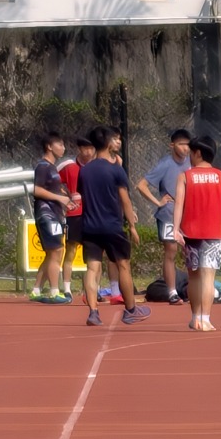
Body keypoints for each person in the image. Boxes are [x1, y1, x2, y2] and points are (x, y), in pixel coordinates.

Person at [77, 126, 149, 327]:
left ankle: (93, 312)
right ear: (108, 143)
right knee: (123, 265)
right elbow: (125, 200)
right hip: (112, 226)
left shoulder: (85, 171)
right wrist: (132, 226)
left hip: (90, 226)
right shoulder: (116, 169)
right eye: (115, 139)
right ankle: (131, 310)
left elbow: (83, 196)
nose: (118, 142)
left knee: (92, 268)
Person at [172, 135, 221, 332]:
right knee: (208, 278)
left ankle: (195, 318)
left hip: (190, 233)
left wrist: (175, 229)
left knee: (194, 277)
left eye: (191, 153)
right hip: (214, 233)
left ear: (198, 153)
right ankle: (206, 319)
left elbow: (179, 204)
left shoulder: (185, 176)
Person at [135, 129, 191, 304]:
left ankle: (193, 288)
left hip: (188, 214)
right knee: (171, 251)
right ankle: (172, 291)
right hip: (168, 214)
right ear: (172, 145)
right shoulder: (165, 164)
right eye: (181, 144)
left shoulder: (192, 162)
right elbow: (141, 185)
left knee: (191, 252)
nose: (185, 148)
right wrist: (158, 202)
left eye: (188, 144)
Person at [29, 133, 72, 304]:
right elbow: (37, 190)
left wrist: (65, 200)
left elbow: (53, 190)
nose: (63, 148)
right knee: (56, 251)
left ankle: (36, 290)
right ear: (49, 146)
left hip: (55, 214)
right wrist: (60, 198)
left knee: (51, 253)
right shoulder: (43, 166)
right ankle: (54, 291)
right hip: (46, 215)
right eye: (60, 144)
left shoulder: (53, 168)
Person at [57, 136, 91, 300]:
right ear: (79, 149)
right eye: (85, 148)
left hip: (93, 214)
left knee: (93, 254)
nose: (88, 152)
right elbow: (52, 181)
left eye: (91, 148)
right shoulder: (68, 165)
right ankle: (67, 289)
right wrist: (65, 197)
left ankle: (93, 290)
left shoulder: (97, 166)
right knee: (70, 249)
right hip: (75, 215)